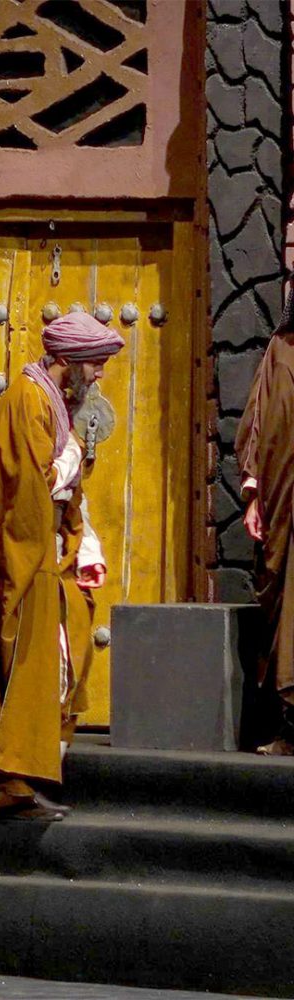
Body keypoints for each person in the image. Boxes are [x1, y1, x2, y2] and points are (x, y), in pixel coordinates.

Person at [0, 312, 124, 820]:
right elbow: (31, 483)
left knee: (65, 650)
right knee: (23, 659)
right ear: (68, 359)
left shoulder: (49, 399)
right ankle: (9, 779)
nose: (99, 374)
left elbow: (54, 485)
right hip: (24, 554)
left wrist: (82, 544)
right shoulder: (28, 398)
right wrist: (70, 461)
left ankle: (19, 774)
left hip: (44, 551)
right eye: (94, 363)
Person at [236, 277, 294, 755]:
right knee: (284, 609)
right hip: (283, 504)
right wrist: (254, 495)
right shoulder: (281, 350)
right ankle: (290, 731)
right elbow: (258, 423)